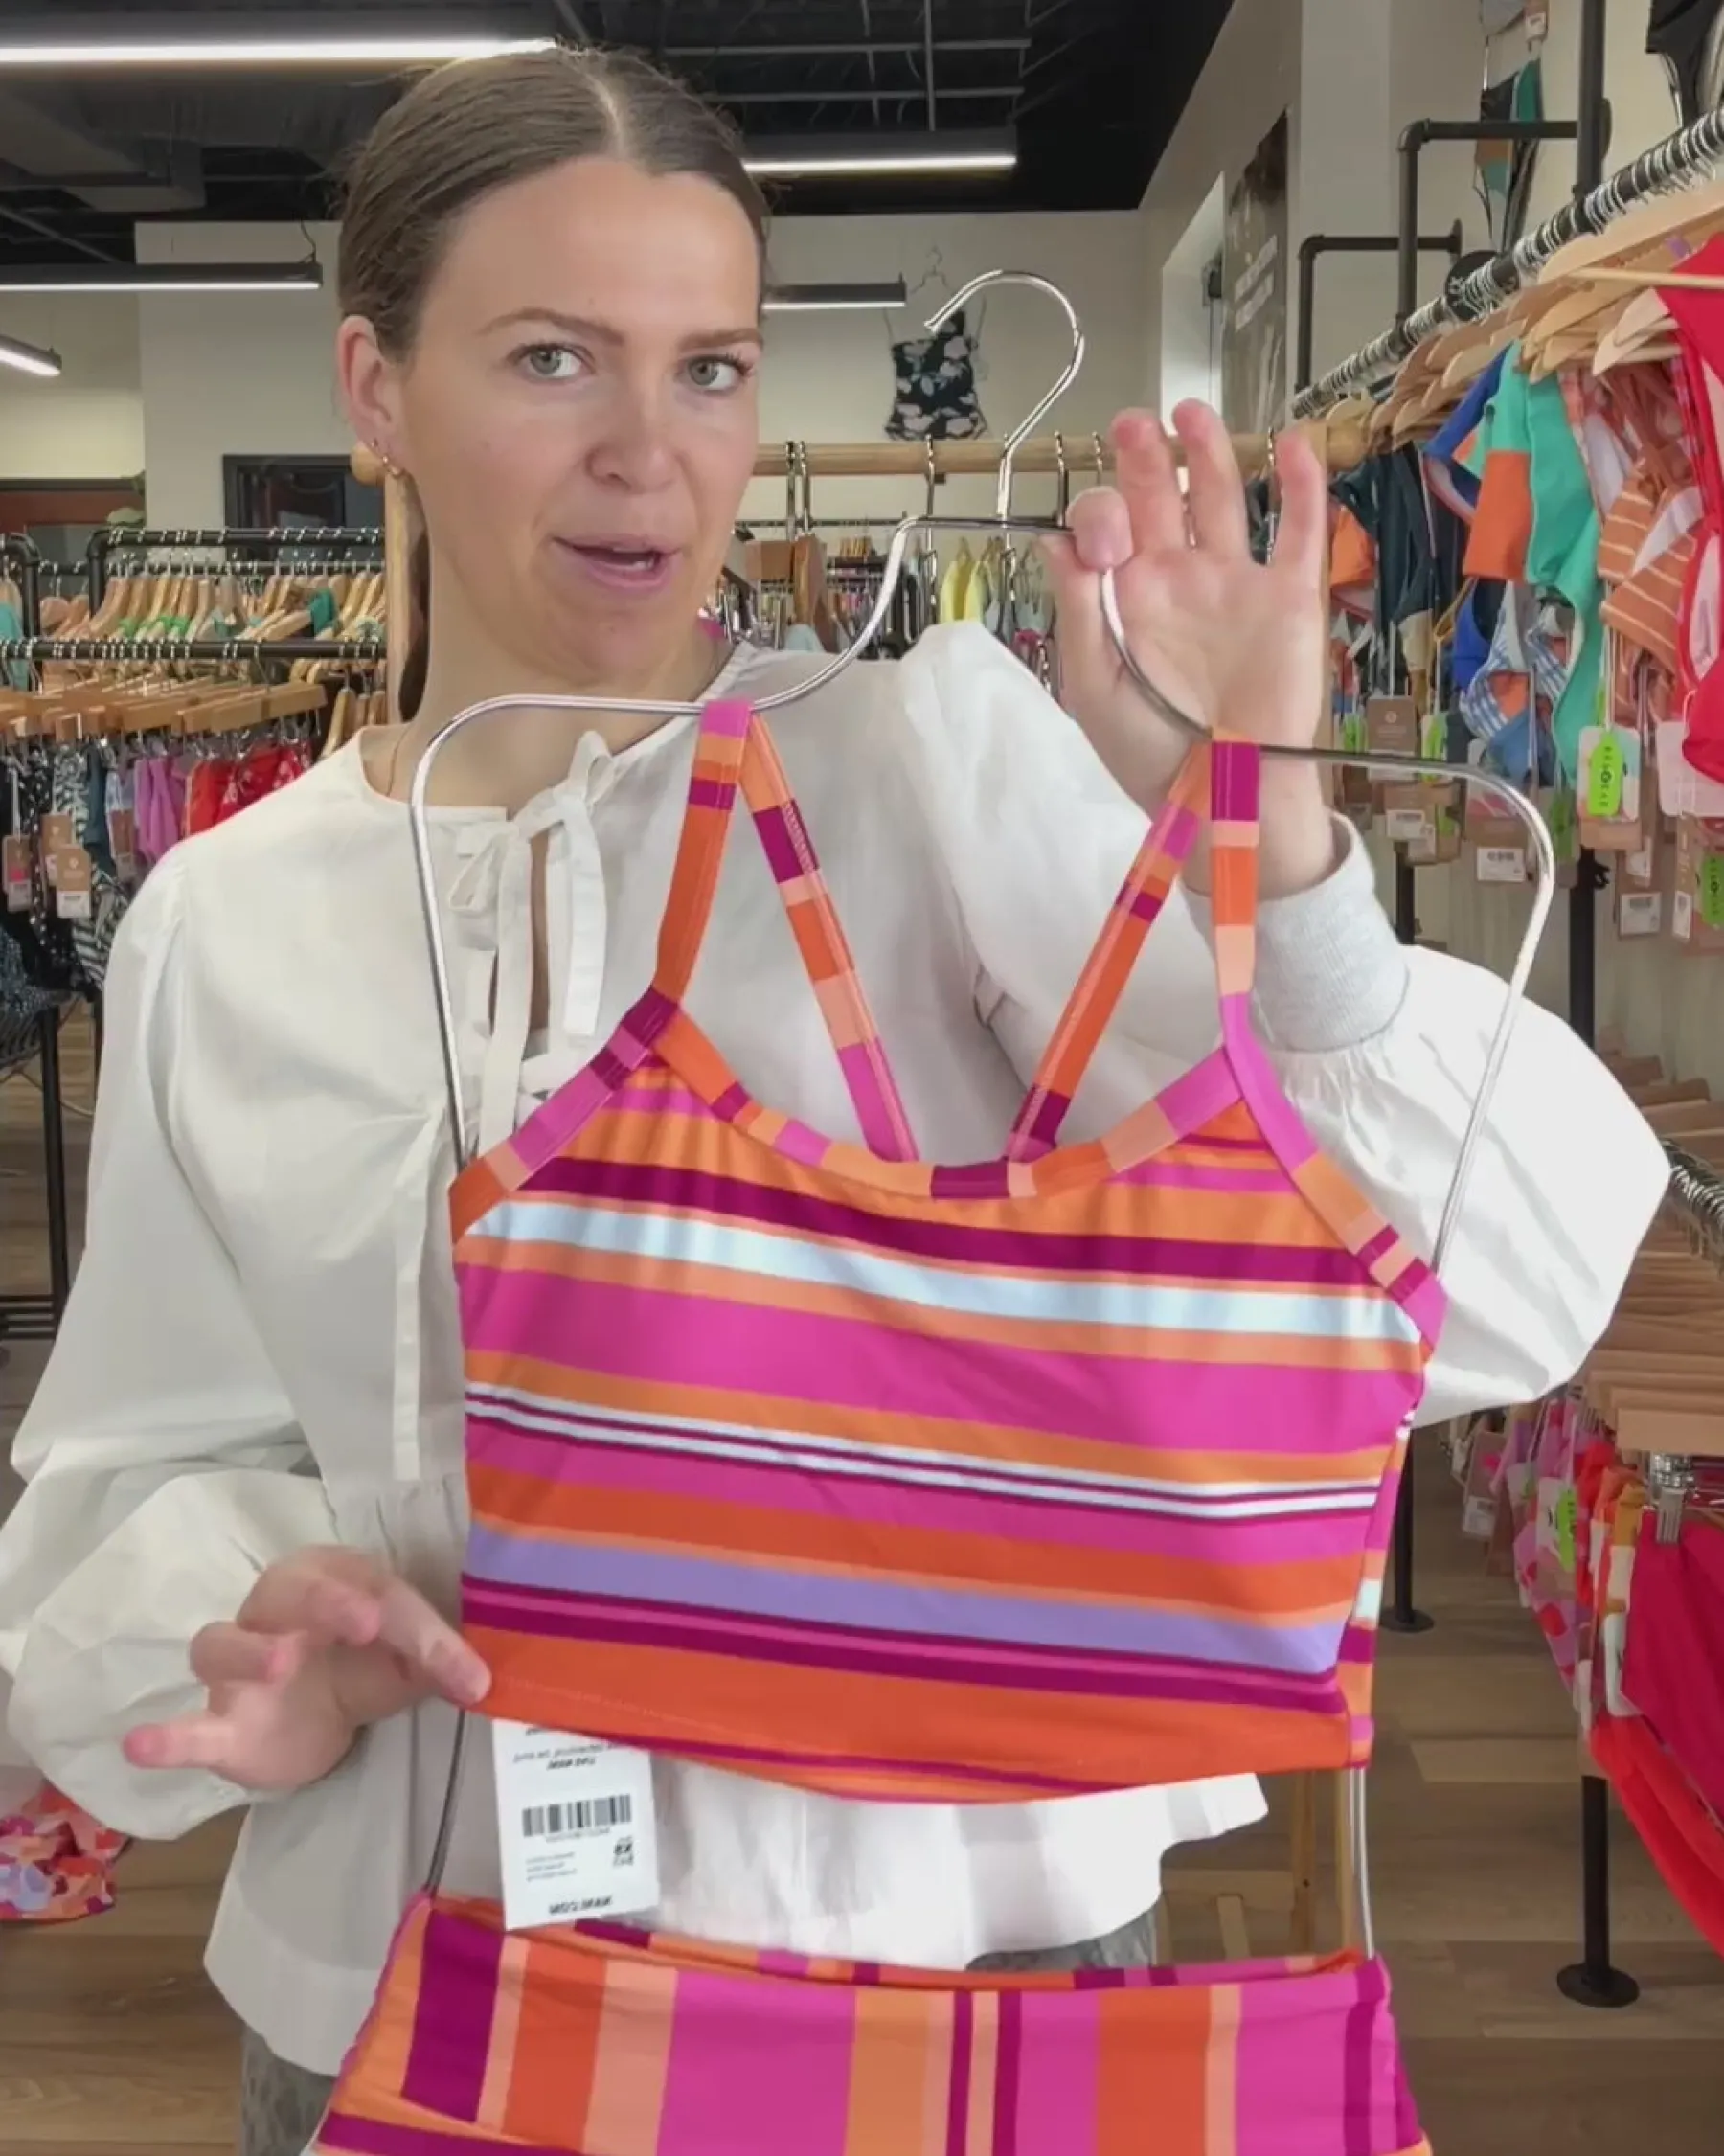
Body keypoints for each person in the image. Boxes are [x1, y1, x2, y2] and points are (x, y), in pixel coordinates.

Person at [0, 46, 1667, 2156]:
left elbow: (1480, 1300)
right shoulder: (230, 919)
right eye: (549, 359)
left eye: (708, 368)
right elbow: (135, 1461)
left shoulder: (923, 774)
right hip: (411, 1976)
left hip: (963, 1980)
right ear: (374, 388)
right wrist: (245, 1614)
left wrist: (1274, 837)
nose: (647, 454)